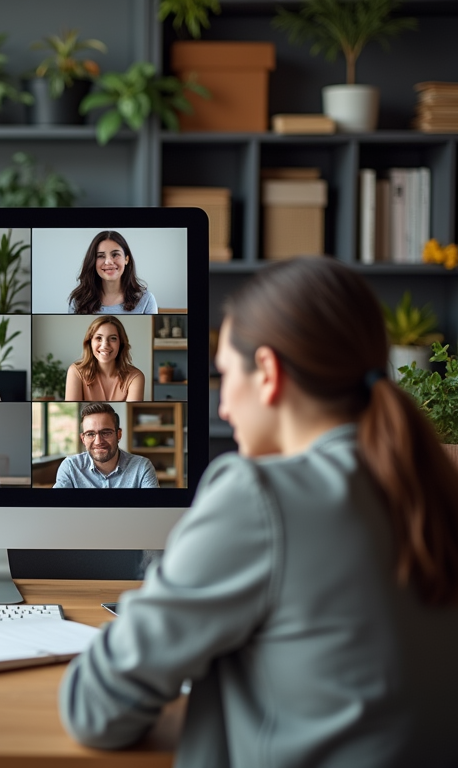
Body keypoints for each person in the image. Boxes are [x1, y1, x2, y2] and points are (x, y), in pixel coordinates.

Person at [60, 259, 458, 767]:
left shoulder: (257, 496)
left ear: (268, 373)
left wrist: (164, 586)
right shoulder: (432, 484)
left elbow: (94, 708)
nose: (223, 407)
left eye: (224, 374)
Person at [52, 403, 158, 489]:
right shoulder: (70, 467)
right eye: (90, 434)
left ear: (118, 434)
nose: (98, 441)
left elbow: (153, 510)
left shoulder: (142, 467)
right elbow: (57, 510)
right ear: (83, 439)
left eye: (106, 433)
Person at [67, 230, 157, 315]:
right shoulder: (78, 301)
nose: (108, 261)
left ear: (126, 259)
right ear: (93, 261)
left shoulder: (147, 300)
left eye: (115, 255)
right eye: (101, 256)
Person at [64, 316, 144, 402]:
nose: (105, 345)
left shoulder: (135, 377)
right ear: (90, 342)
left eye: (113, 338)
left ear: (120, 343)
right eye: (99, 338)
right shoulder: (76, 372)